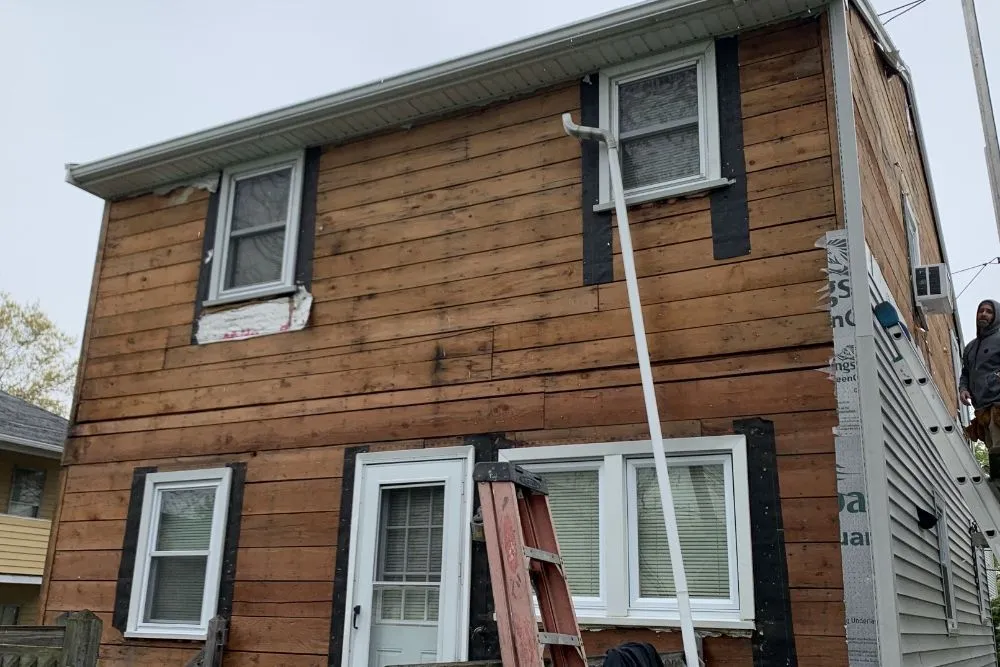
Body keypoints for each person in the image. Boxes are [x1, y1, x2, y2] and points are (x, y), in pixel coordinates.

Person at [960, 299, 1000, 479]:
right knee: (992, 445)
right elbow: (966, 373)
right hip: (981, 407)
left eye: (989, 311)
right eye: (981, 311)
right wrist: (963, 389)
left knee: (998, 444)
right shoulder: (970, 347)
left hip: (998, 403)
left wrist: (996, 379)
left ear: (996, 316)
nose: (983, 314)